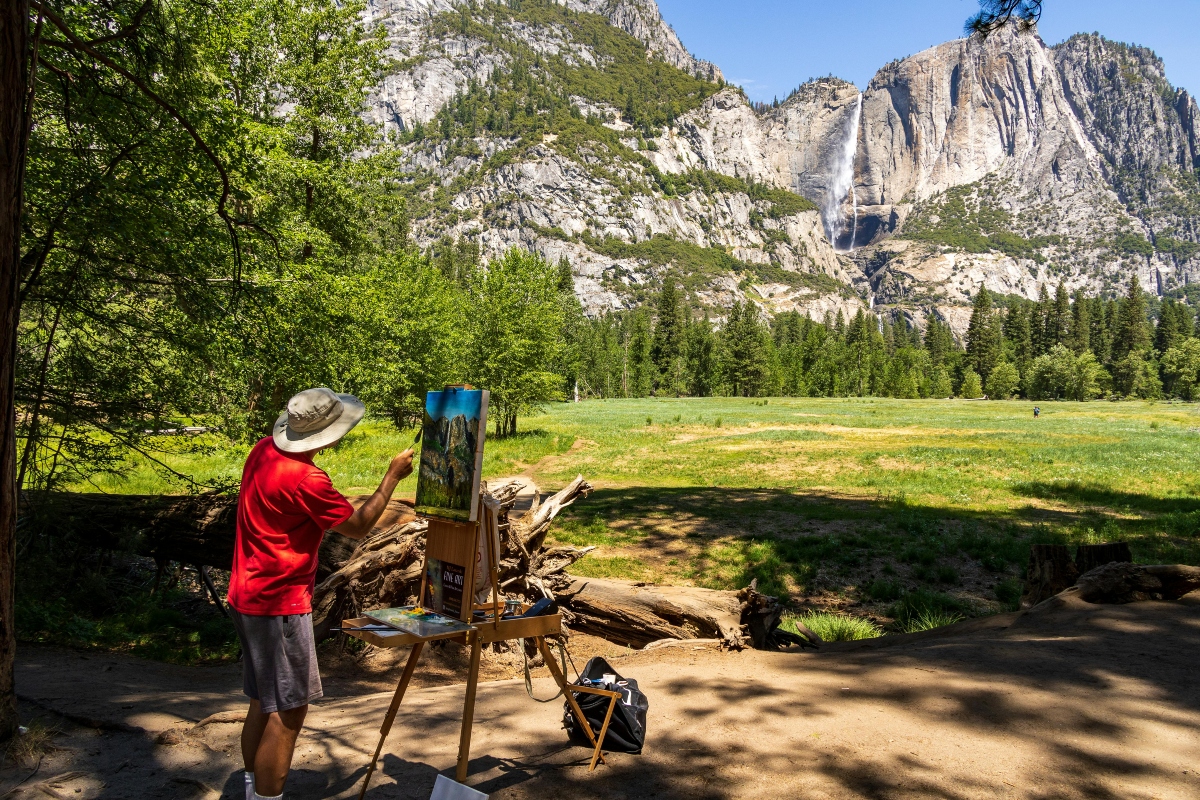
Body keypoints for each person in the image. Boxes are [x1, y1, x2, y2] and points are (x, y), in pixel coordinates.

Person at [227, 387, 414, 800]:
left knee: (263, 697)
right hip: (279, 604)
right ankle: (265, 797)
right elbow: (360, 524)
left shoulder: (262, 451)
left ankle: (250, 789)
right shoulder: (307, 479)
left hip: (246, 593)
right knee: (290, 711)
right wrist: (391, 476)